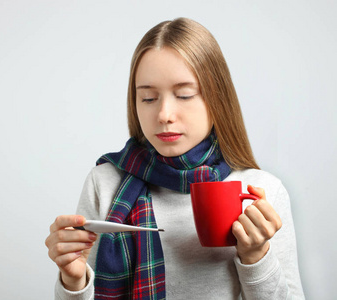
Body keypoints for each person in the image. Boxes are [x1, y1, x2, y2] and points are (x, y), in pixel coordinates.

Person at [45, 17, 304, 299]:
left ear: (218, 99)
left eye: (184, 95)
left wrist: (256, 256)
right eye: (147, 98)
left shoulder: (262, 193)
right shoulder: (104, 182)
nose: (164, 114)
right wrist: (73, 282)